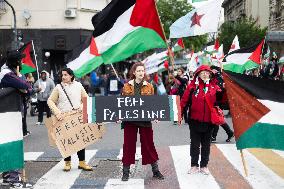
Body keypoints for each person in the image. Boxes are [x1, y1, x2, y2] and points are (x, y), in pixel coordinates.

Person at [120, 62, 164, 181]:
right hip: (130, 121)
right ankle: (125, 172)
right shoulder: (126, 86)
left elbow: (152, 104)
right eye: (138, 71)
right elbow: (121, 104)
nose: (141, 73)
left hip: (145, 120)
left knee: (148, 144)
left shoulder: (149, 86)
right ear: (134, 72)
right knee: (128, 145)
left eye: (142, 71)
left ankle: (155, 170)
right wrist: (119, 115)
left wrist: (155, 115)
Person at [47, 68, 92, 172]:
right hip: (63, 118)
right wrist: (57, 113)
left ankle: (82, 163)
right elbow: (50, 101)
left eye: (66, 75)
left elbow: (86, 99)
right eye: (62, 75)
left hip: (77, 117)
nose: (63, 77)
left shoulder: (79, 85)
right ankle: (67, 163)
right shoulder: (58, 87)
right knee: (66, 141)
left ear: (71, 75)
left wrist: (81, 107)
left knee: (80, 140)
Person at [180, 65, 223, 175]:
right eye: (202, 72)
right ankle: (194, 165)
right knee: (194, 144)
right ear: (198, 74)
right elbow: (184, 101)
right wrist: (179, 114)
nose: (204, 74)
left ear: (210, 74)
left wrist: (226, 89)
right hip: (194, 120)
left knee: (206, 144)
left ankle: (204, 165)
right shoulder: (192, 86)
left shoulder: (215, 87)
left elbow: (222, 99)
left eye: (207, 72)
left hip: (209, 121)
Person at [0, 50, 32, 186]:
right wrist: (21, 81)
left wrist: (23, 86)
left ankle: (8, 176)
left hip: (10, 112)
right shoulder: (7, 74)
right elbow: (25, 86)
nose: (23, 62)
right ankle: (13, 179)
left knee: (9, 143)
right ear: (16, 62)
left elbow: (27, 89)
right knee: (12, 144)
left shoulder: (9, 73)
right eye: (21, 60)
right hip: (8, 113)